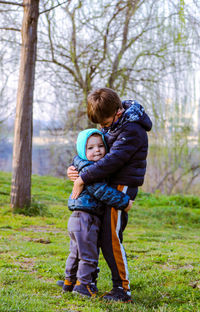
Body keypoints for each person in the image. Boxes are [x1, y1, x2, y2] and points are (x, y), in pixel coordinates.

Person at [68, 87, 152, 302]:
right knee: (96, 233)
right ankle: (86, 280)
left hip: (121, 187)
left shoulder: (132, 130)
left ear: (117, 112)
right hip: (107, 184)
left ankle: (122, 290)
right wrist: (75, 168)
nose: (102, 127)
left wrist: (83, 178)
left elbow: (111, 161)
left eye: (104, 123)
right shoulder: (113, 125)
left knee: (111, 238)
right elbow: (92, 152)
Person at [63, 128, 132, 298]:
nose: (97, 151)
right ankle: (83, 285)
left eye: (101, 146)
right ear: (82, 151)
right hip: (87, 218)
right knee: (89, 255)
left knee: (76, 253)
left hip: (76, 218)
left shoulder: (82, 165)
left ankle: (69, 282)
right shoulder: (90, 170)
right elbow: (100, 190)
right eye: (91, 148)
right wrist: (123, 201)